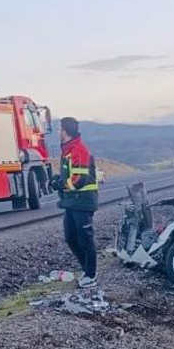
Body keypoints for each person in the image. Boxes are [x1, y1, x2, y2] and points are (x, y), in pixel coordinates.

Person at [50, 117, 100, 288]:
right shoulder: (68, 150)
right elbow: (70, 175)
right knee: (71, 237)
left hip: (83, 202)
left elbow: (79, 180)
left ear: (65, 131)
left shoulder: (78, 149)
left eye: (59, 129)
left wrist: (60, 184)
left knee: (85, 238)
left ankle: (91, 274)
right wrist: (59, 179)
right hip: (72, 202)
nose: (58, 132)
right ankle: (86, 270)